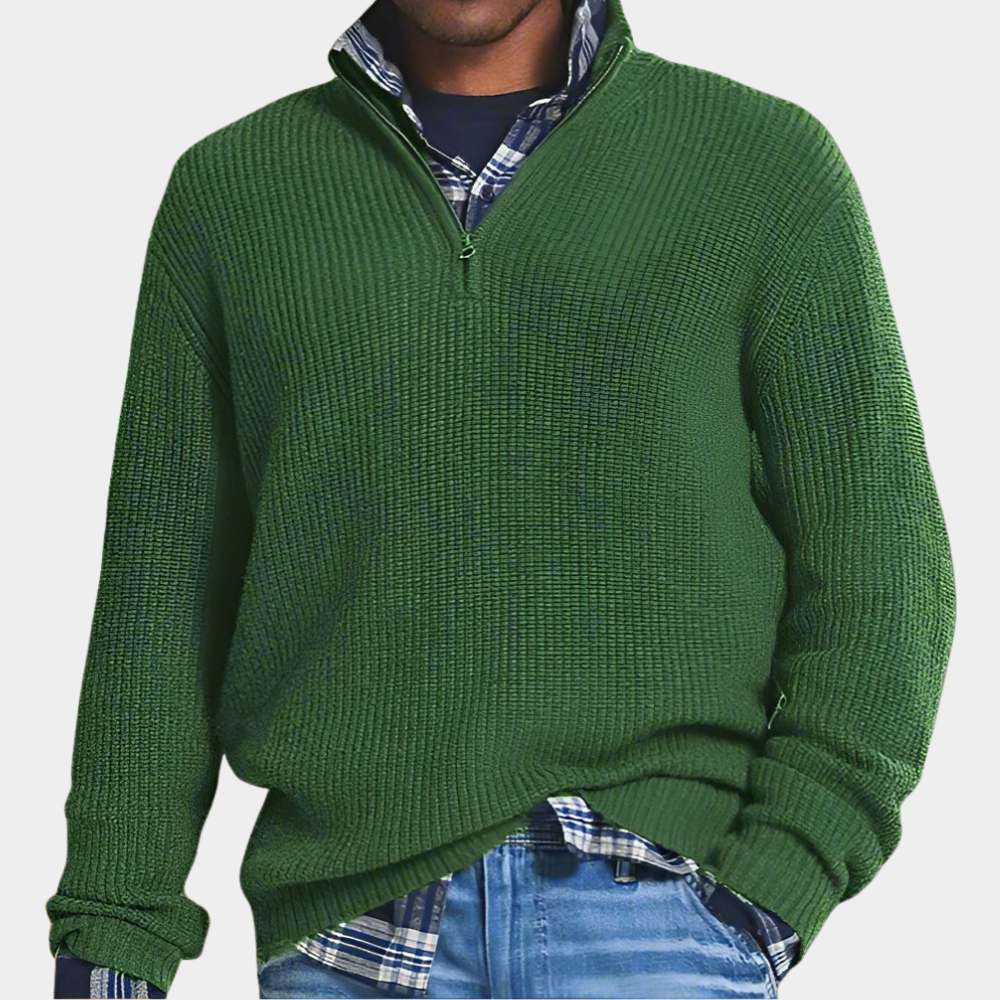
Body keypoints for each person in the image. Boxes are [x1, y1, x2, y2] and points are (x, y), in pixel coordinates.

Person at [47, 0, 957, 997]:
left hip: (658, 913)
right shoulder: (232, 193)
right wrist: (112, 940)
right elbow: (162, 600)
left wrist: (774, 886)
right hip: (347, 938)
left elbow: (882, 570)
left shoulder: (761, 166)